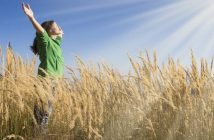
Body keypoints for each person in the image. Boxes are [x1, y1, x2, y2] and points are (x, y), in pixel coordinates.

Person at [22, 3, 64, 133]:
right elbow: (41, 31)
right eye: (56, 26)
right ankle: (39, 134)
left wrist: (60, 33)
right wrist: (31, 18)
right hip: (45, 80)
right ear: (49, 30)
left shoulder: (56, 42)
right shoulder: (45, 41)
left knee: (47, 111)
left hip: (54, 80)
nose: (59, 27)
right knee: (43, 111)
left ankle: (40, 132)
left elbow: (60, 36)